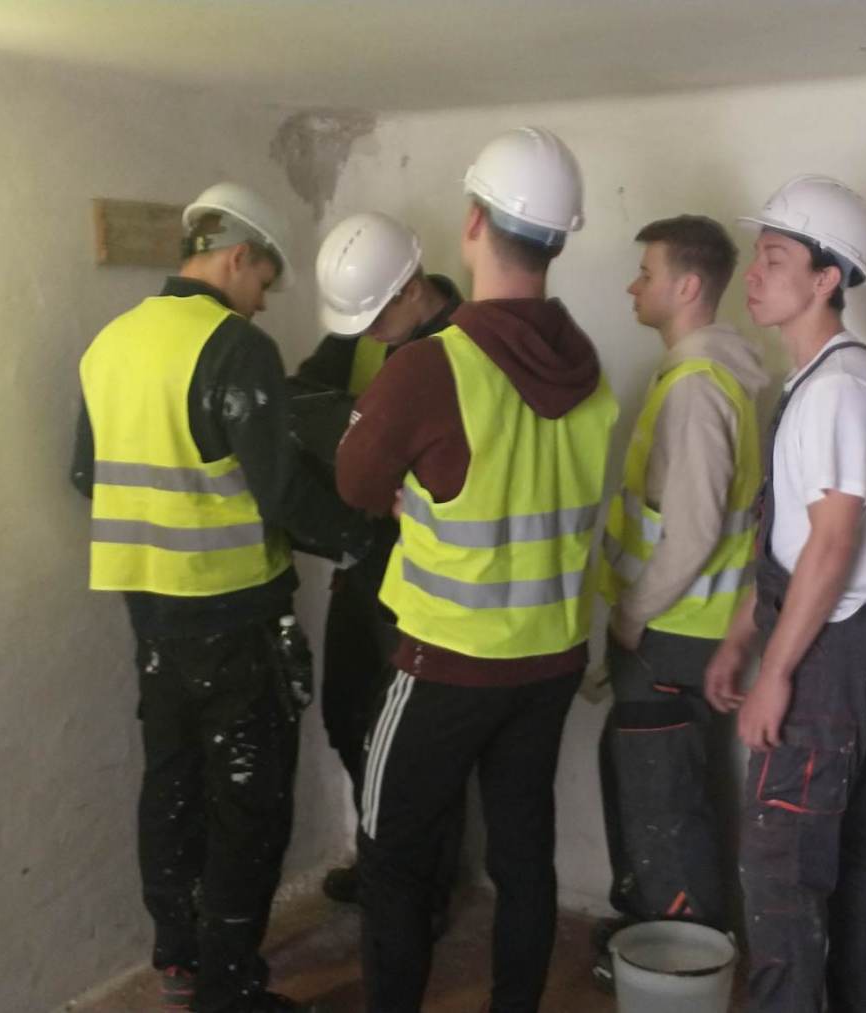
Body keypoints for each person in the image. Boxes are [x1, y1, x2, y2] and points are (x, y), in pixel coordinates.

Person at [71, 181, 373, 1013]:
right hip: (234, 611)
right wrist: (364, 540)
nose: (263, 299)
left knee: (171, 782)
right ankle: (230, 985)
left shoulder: (110, 343)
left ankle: (178, 958)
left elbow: (87, 474)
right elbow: (282, 492)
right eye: (265, 280)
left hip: (150, 612)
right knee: (248, 797)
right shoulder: (234, 347)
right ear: (239, 257)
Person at [334, 126, 617, 1013]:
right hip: (550, 660)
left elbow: (355, 483)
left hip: (446, 663)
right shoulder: (589, 369)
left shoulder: (431, 369)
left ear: (472, 223)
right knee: (523, 856)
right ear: (558, 240)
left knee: (389, 852)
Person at [704, 174, 866, 1013]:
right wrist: (740, 634)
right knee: (844, 862)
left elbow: (831, 544)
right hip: (836, 643)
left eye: (776, 258)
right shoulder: (820, 380)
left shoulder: (838, 390)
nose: (754, 274)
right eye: (757, 255)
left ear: (827, 278)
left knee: (783, 874)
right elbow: (792, 541)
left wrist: (778, 671)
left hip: (827, 657)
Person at [591, 215, 767, 987]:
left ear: (688, 286)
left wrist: (632, 615)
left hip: (671, 632)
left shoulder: (697, 391)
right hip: (686, 632)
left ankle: (682, 968)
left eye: (647, 272)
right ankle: (654, 933)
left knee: (663, 802)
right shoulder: (704, 377)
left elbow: (691, 532)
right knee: (659, 788)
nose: (634, 285)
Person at [299, 211, 465, 919]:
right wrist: (361, 426)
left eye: (374, 318)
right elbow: (300, 399)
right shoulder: (364, 334)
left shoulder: (465, 346)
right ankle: (385, 862)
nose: (365, 333)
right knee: (347, 711)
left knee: (422, 744)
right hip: (365, 558)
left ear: (411, 289)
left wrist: (368, 438)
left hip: (427, 579)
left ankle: (424, 889)